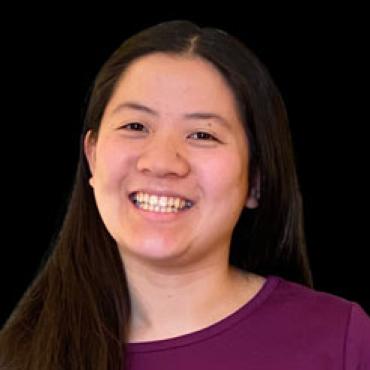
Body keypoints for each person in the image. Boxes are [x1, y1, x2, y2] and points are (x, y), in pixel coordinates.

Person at [0, 20, 369, 370]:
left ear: (255, 179)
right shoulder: (17, 354)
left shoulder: (340, 341)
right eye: (135, 126)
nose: (161, 162)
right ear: (92, 157)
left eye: (202, 135)